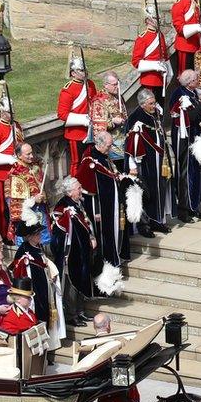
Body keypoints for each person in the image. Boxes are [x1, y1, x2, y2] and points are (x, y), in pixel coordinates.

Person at [77, 132, 131, 270]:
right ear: (100, 145)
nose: (110, 148)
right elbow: (87, 188)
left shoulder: (103, 156)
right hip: (99, 207)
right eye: (108, 145)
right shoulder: (90, 161)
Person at [126, 88, 174, 237]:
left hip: (159, 161)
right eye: (151, 103)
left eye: (154, 102)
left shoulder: (154, 113)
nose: (154, 105)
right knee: (146, 193)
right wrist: (132, 165)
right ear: (142, 104)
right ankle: (144, 225)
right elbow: (131, 144)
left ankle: (157, 220)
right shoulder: (136, 118)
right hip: (145, 163)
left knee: (159, 190)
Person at [12, 223, 65, 349]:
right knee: (40, 316)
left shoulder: (38, 247)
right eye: (37, 234)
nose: (40, 236)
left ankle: (48, 346)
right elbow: (20, 272)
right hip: (35, 291)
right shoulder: (24, 251)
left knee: (47, 315)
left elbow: (45, 263)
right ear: (30, 237)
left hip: (45, 288)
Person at [52, 176, 96, 327]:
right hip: (70, 253)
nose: (81, 189)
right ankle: (71, 315)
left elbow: (85, 222)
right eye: (78, 188)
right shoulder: (62, 206)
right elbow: (59, 227)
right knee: (72, 284)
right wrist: (67, 217)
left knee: (82, 279)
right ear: (70, 192)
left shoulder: (78, 203)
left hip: (82, 250)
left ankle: (80, 311)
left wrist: (91, 236)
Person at [168, 69, 201, 223]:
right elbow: (190, 116)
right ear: (190, 82)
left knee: (196, 172)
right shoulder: (179, 94)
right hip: (184, 139)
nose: (198, 81)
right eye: (196, 79)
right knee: (185, 174)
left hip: (194, 136)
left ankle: (194, 206)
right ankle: (184, 210)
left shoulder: (190, 92)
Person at [93, 313, 142, 402]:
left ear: (94, 326)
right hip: (127, 394)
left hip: (109, 396)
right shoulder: (121, 342)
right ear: (108, 326)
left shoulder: (87, 348)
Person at [0, 82, 23, 240]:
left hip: (18, 173)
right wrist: (10, 159)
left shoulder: (17, 126)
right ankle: (6, 238)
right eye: (9, 112)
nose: (12, 114)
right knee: (4, 209)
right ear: (2, 112)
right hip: (3, 175)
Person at [56, 54, 98, 176]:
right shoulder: (68, 89)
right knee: (77, 162)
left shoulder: (90, 84)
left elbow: (94, 103)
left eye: (84, 69)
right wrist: (83, 119)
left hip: (91, 130)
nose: (84, 72)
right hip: (76, 133)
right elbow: (62, 114)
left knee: (91, 160)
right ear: (73, 73)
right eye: (81, 70)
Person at [4, 142, 49, 245]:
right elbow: (15, 203)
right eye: (28, 154)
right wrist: (34, 200)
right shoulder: (15, 173)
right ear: (19, 156)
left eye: (31, 153)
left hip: (40, 213)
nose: (32, 156)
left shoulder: (34, 167)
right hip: (26, 218)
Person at [130, 8, 170, 106]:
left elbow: (164, 56)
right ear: (148, 20)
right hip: (149, 80)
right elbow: (136, 62)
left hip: (161, 78)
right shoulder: (142, 38)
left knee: (161, 109)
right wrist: (154, 65)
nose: (158, 20)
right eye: (155, 18)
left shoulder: (160, 35)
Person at [170, 0, 201, 76]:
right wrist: (196, 27)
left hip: (195, 43)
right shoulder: (179, 3)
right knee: (185, 76)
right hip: (185, 45)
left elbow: (197, 19)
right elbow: (179, 28)